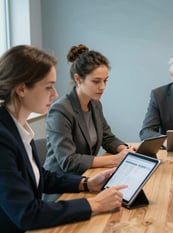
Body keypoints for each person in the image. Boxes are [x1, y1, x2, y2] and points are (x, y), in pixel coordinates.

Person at [0, 45, 126, 232]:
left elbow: (39, 176)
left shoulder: (17, 128)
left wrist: (86, 183)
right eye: (48, 87)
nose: (55, 94)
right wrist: (94, 205)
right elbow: (27, 214)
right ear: (21, 89)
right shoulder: (3, 138)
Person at [44, 44, 134, 177]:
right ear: (78, 79)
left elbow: (107, 138)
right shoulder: (60, 110)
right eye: (96, 81)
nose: (102, 87)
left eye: (105, 81)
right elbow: (68, 161)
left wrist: (126, 150)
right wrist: (114, 160)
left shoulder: (95, 104)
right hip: (60, 184)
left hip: (86, 176)